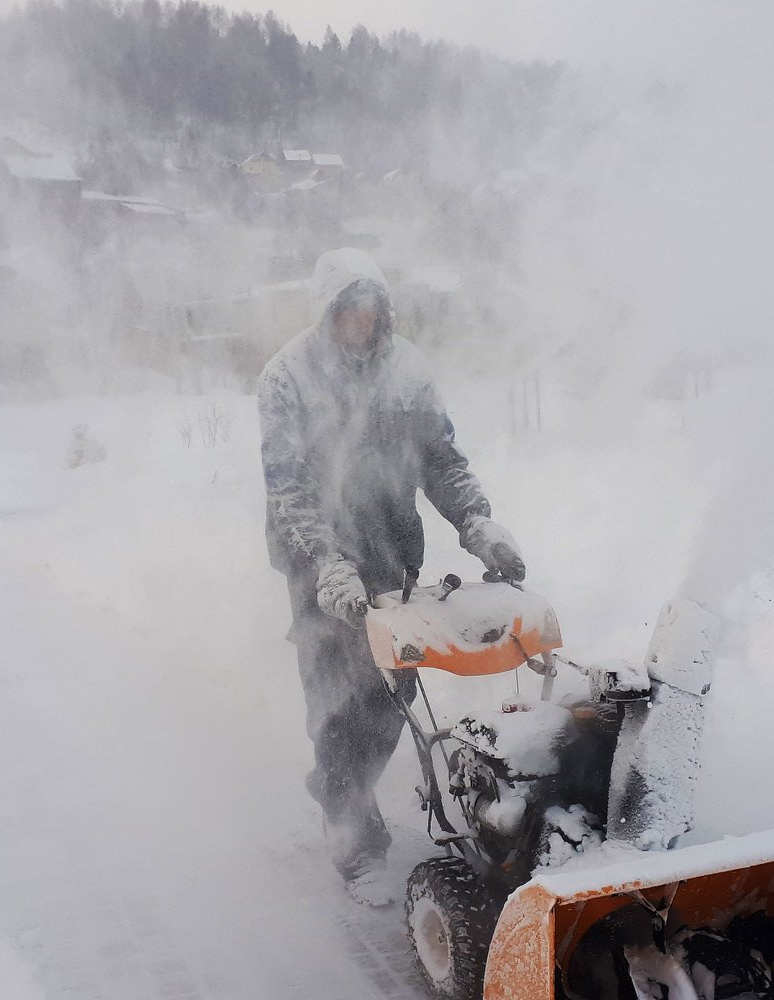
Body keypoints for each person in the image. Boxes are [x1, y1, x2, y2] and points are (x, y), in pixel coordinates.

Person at [257, 247, 526, 903]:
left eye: (369, 310)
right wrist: (327, 565)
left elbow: (442, 462)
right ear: (327, 314)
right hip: (317, 567)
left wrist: (478, 524)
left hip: (391, 557)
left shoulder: (408, 374)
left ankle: (335, 783)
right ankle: (352, 839)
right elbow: (287, 490)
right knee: (336, 700)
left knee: (389, 697)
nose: (359, 323)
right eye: (346, 311)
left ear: (383, 312)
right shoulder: (288, 379)